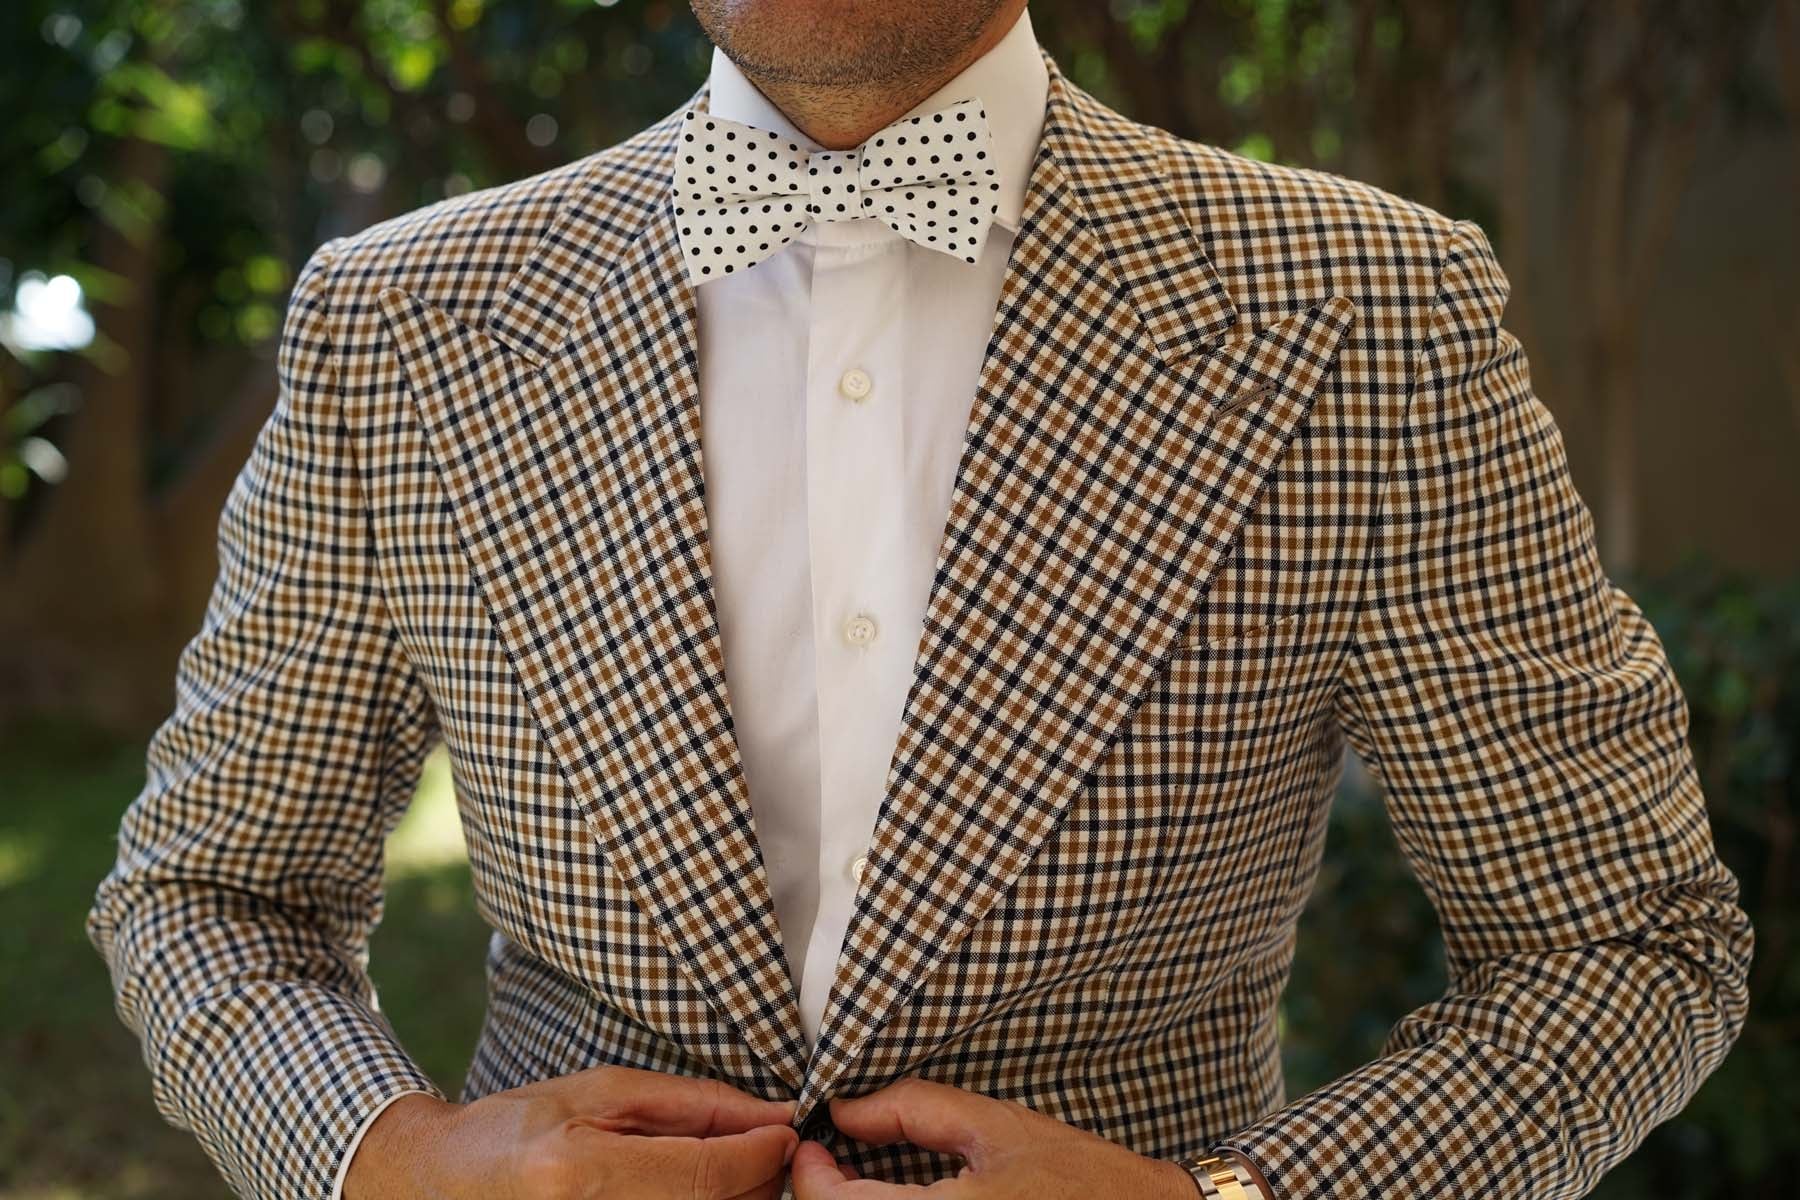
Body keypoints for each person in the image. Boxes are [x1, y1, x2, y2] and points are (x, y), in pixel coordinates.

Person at [87, 2, 1753, 1197]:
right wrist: (391, 1162)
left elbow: (1621, 944)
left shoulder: (1367, 313)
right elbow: (213, 894)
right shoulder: (407, 324)